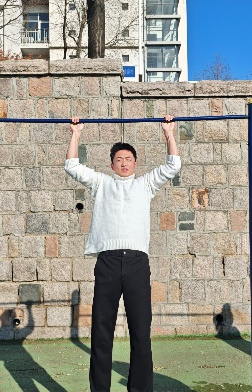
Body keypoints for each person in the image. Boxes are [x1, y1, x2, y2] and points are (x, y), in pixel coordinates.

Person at [64, 115, 181, 392]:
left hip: (137, 264)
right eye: (119, 159)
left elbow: (173, 165)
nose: (124, 163)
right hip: (108, 262)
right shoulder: (101, 183)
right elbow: (72, 166)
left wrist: (169, 133)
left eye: (128, 159)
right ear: (112, 164)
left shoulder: (146, 184)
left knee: (140, 333)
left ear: (136, 164)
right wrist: (76, 134)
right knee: (101, 332)